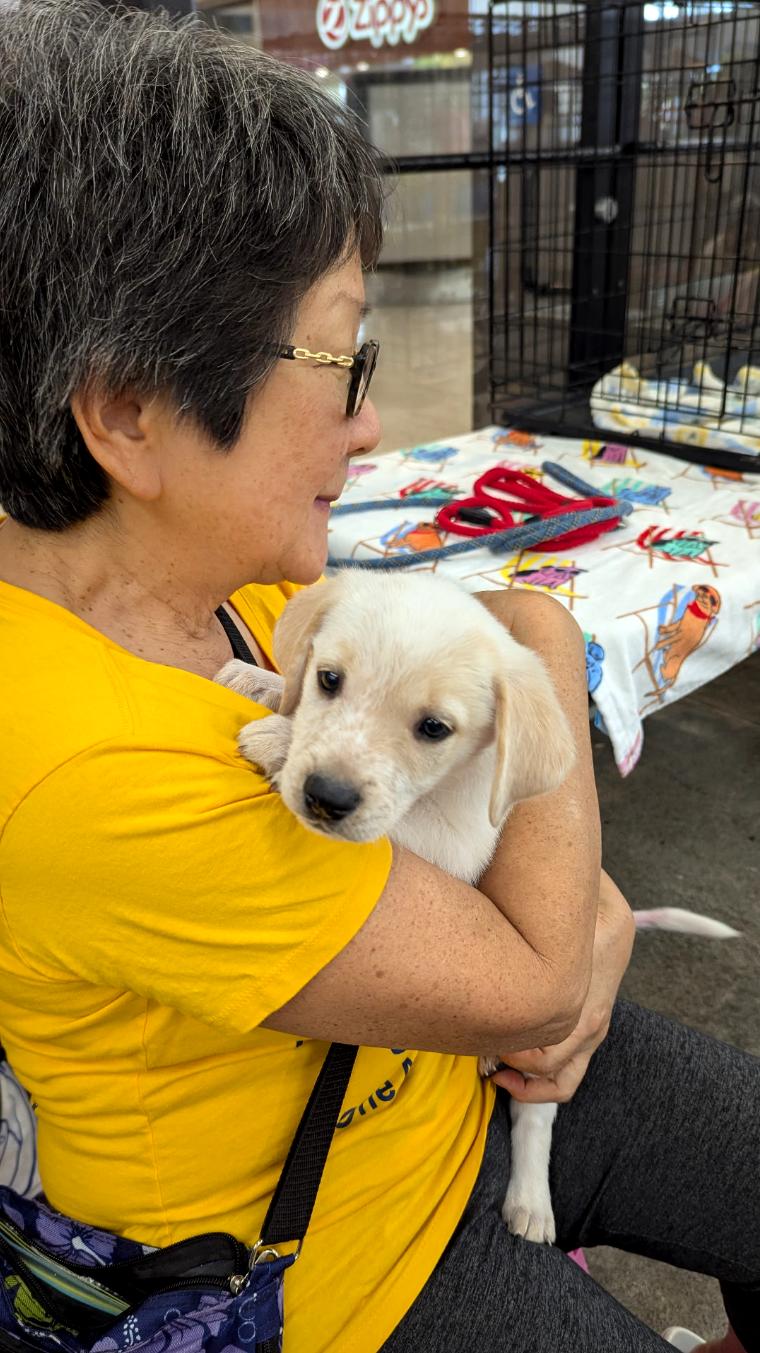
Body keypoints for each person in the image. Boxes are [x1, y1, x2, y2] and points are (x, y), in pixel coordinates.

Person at [0, 5, 756, 1352]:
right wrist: (550, 638)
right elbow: (534, 978)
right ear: (127, 411)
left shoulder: (242, 581)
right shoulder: (80, 760)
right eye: (345, 361)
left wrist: (578, 915)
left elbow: (535, 869)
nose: (372, 423)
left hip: (452, 1094)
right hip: (334, 1268)